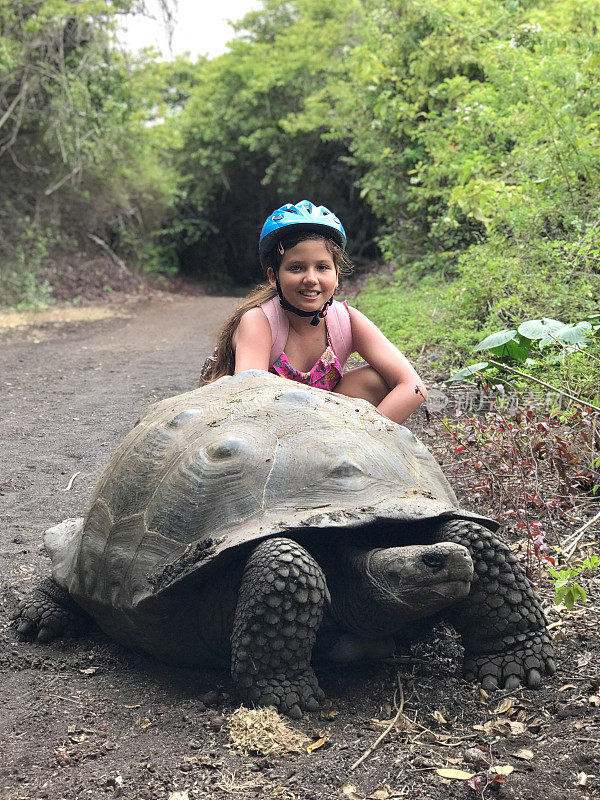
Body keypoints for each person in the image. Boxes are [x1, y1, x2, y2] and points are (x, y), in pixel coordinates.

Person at [202, 200, 427, 424]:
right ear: (273, 277)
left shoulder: (346, 321)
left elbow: (414, 387)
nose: (311, 279)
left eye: (322, 267)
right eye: (296, 268)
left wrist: (367, 438)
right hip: (260, 423)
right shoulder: (258, 320)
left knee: (378, 380)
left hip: (319, 422)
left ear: (336, 276)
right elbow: (247, 401)